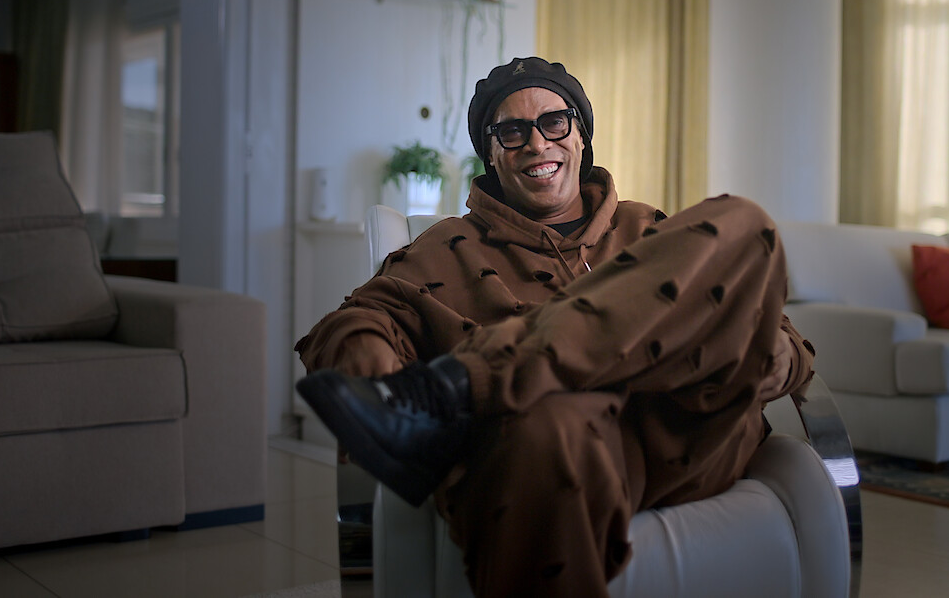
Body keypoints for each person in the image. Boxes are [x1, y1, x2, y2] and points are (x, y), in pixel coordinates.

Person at [295, 56, 815, 597]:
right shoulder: (441, 250)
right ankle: (476, 389)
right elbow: (351, 324)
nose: (537, 144)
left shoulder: (650, 229)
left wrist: (768, 355)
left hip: (688, 429)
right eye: (512, 131)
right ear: (490, 153)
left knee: (744, 221)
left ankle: (463, 383)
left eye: (554, 122)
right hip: (552, 452)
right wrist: (382, 383)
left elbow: (782, 337)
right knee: (548, 421)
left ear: (581, 136)